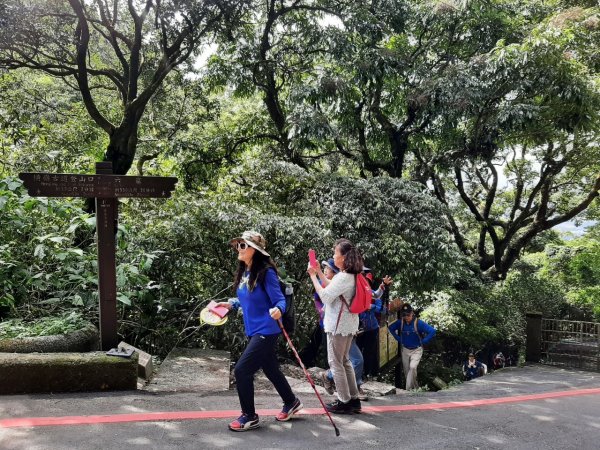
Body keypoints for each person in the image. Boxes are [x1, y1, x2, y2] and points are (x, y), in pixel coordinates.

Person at [216, 231, 302, 432]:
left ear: (255, 250)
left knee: (241, 370)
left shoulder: (266, 272)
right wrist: (231, 304)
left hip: (267, 329)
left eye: (243, 246)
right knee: (271, 368)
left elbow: (279, 299)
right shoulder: (245, 272)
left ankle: (249, 416)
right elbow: (249, 300)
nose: (239, 249)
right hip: (254, 329)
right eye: (238, 245)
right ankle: (291, 401)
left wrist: (278, 309)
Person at [307, 238, 363, 414]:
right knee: (345, 361)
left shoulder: (344, 276)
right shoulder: (351, 275)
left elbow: (325, 296)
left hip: (338, 327)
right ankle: (353, 400)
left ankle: (344, 401)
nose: (333, 256)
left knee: (336, 363)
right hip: (348, 325)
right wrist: (320, 274)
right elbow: (333, 287)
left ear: (343, 257)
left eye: (335, 253)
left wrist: (313, 276)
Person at [388, 303, 436, 390]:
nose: (406, 317)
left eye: (408, 314)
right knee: (407, 372)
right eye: (404, 315)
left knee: (413, 367)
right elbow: (390, 328)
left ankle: (408, 390)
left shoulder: (419, 323)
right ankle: (415, 388)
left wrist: (424, 341)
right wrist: (398, 338)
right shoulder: (401, 323)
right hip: (405, 350)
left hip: (416, 350)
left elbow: (432, 331)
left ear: (412, 313)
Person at [356, 272, 392, 381]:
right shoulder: (355, 293)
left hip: (371, 328)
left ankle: (367, 374)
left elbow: (383, 309)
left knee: (369, 352)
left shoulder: (371, 293)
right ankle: (359, 373)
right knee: (357, 351)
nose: (364, 283)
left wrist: (371, 307)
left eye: (367, 281)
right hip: (358, 328)